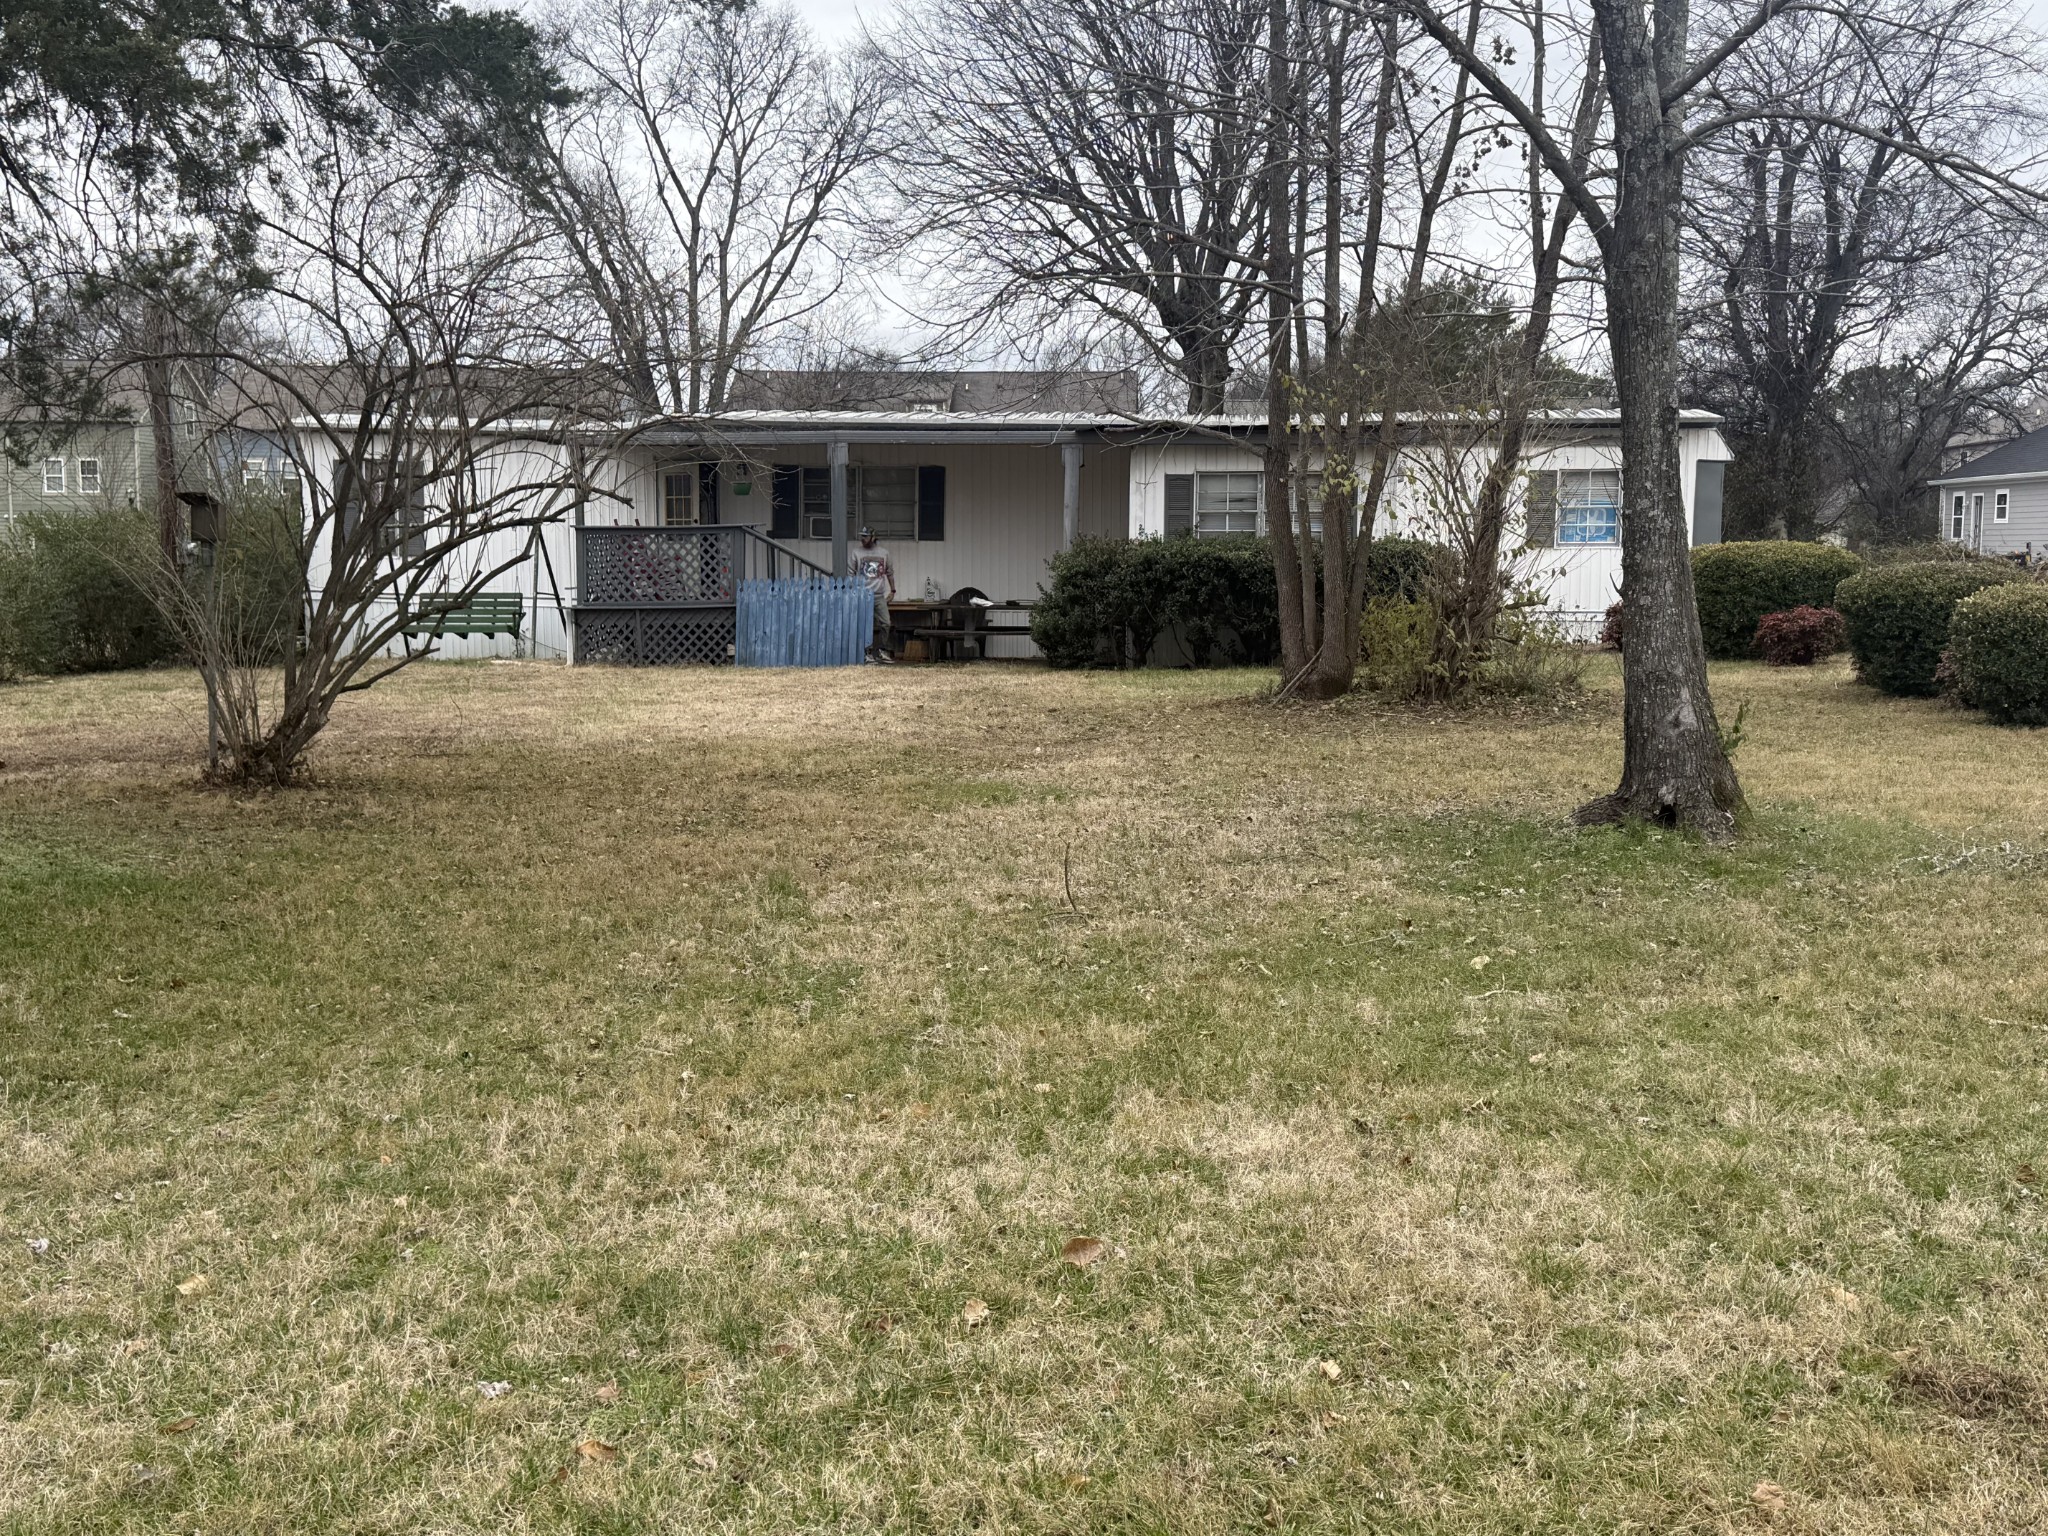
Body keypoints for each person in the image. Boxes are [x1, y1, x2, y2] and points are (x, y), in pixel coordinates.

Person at [852, 526, 895, 662]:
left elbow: (889, 572)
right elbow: (851, 574)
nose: (862, 539)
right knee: (866, 624)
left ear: (873, 537)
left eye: (865, 536)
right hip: (863, 595)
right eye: (861, 536)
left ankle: (882, 651)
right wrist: (855, 592)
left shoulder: (884, 553)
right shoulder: (856, 553)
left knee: (886, 623)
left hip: (878, 595)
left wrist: (892, 590)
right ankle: (867, 652)